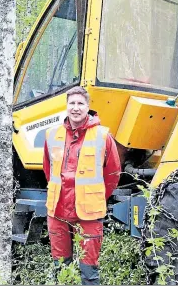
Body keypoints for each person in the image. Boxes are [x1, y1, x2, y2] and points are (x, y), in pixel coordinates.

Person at [43, 86, 121, 285]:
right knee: (60, 267)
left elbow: (112, 173)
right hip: (57, 211)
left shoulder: (103, 136)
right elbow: (48, 169)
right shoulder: (52, 134)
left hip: (89, 211)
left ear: (88, 107)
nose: (75, 108)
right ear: (66, 106)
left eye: (80, 104)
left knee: (89, 271)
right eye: (72, 103)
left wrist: (94, 195)